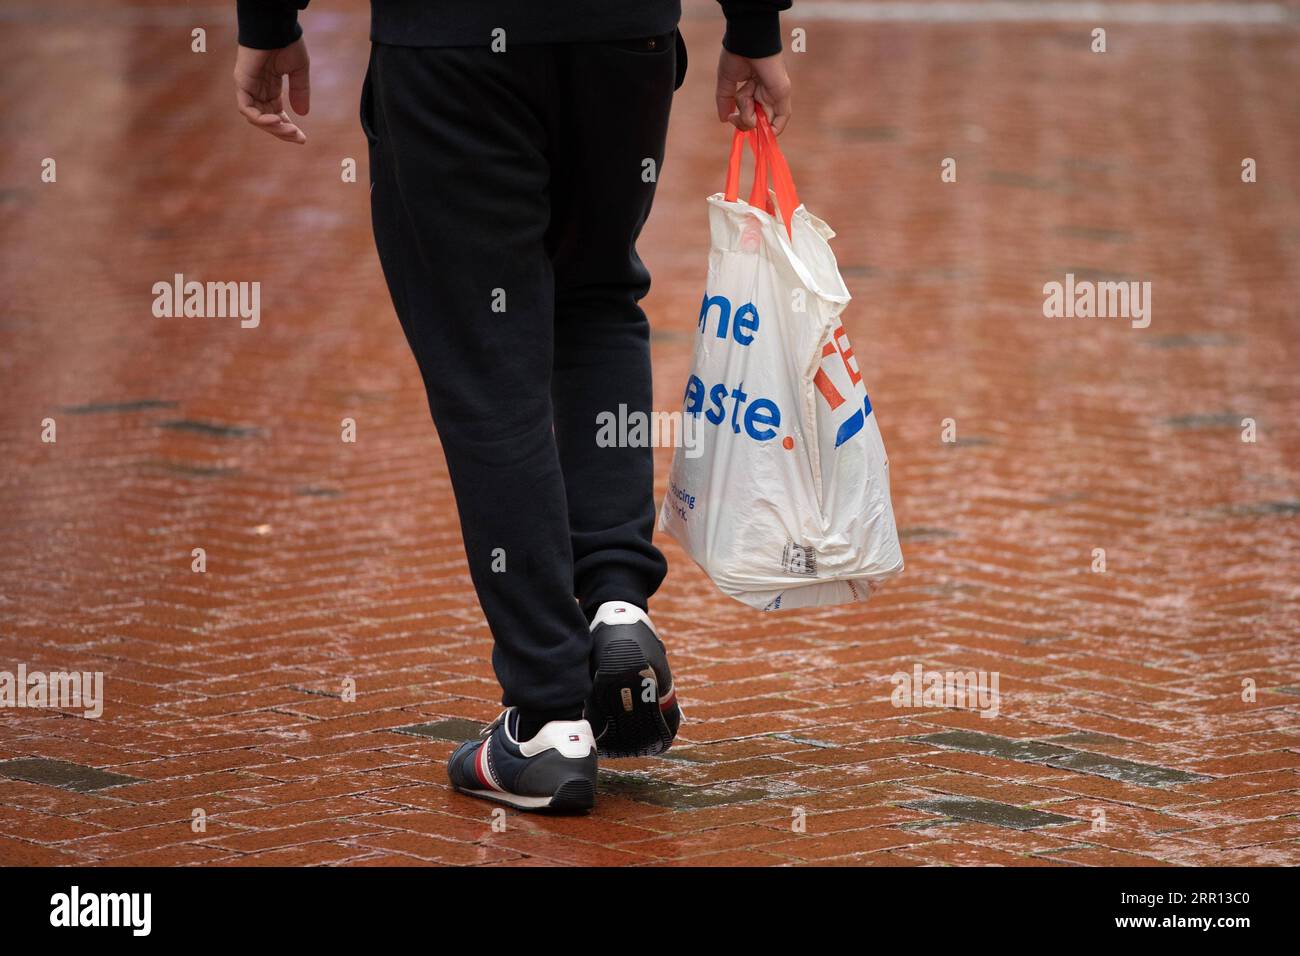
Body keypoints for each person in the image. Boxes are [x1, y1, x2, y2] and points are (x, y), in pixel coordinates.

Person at [232, 0, 793, 812]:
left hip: (452, 43)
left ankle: (547, 717)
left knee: (486, 362)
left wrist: (268, 20)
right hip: (620, 37)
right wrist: (752, 27)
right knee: (597, 299)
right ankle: (615, 604)